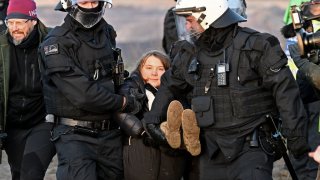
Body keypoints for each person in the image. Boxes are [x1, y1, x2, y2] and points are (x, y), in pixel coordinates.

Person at [143, 0, 310, 179]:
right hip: (210, 151)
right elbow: (170, 84)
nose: (187, 24)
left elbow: (286, 92)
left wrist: (295, 137)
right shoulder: (190, 54)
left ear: (207, 16)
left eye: (190, 19)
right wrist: (152, 120)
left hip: (252, 148)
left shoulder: (257, 45)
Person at [38, 0, 140, 179]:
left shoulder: (107, 33)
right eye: (85, 2)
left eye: (94, 2)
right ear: (69, 4)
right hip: (74, 136)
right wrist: (123, 102)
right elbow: (83, 94)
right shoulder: (56, 42)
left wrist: (127, 89)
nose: (91, 7)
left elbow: (116, 76)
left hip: (110, 133)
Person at [0, 0, 56, 179]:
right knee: (18, 173)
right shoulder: (1, 46)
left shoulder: (51, 41)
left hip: (42, 121)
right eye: (10, 22)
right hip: (12, 125)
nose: (14, 28)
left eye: (20, 22)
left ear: (33, 21)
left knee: (31, 173)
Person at [119, 50, 196, 180]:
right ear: (140, 69)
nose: (154, 73)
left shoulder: (178, 93)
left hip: (171, 158)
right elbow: (122, 113)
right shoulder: (129, 88)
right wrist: (144, 132)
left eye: (160, 69)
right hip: (140, 153)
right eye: (149, 68)